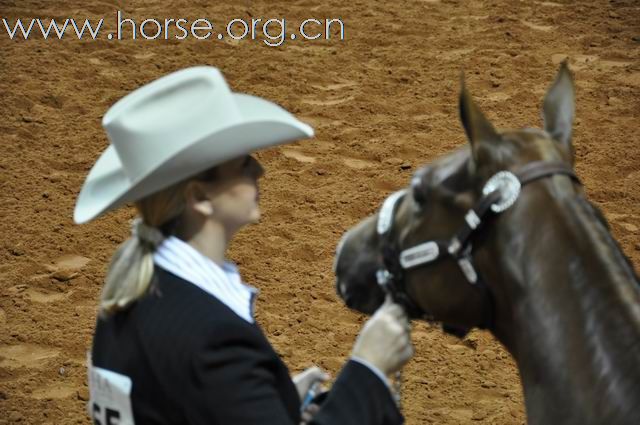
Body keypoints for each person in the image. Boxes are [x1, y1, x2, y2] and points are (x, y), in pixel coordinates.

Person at [74, 66, 413, 425]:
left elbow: (177, 404)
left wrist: (274, 401)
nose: (259, 172)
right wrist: (367, 370)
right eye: (242, 164)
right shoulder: (214, 338)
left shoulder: (130, 291)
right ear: (199, 196)